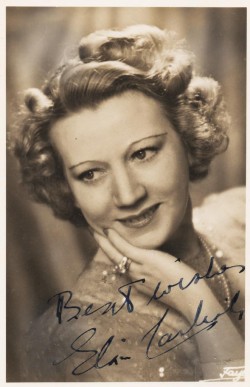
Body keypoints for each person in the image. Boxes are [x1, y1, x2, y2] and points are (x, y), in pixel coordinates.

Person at [12, 24, 245, 382]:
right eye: (90, 174)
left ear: (188, 136)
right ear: (66, 187)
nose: (128, 195)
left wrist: (189, 287)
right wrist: (196, 300)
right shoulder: (79, 337)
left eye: (142, 153)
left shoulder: (237, 221)